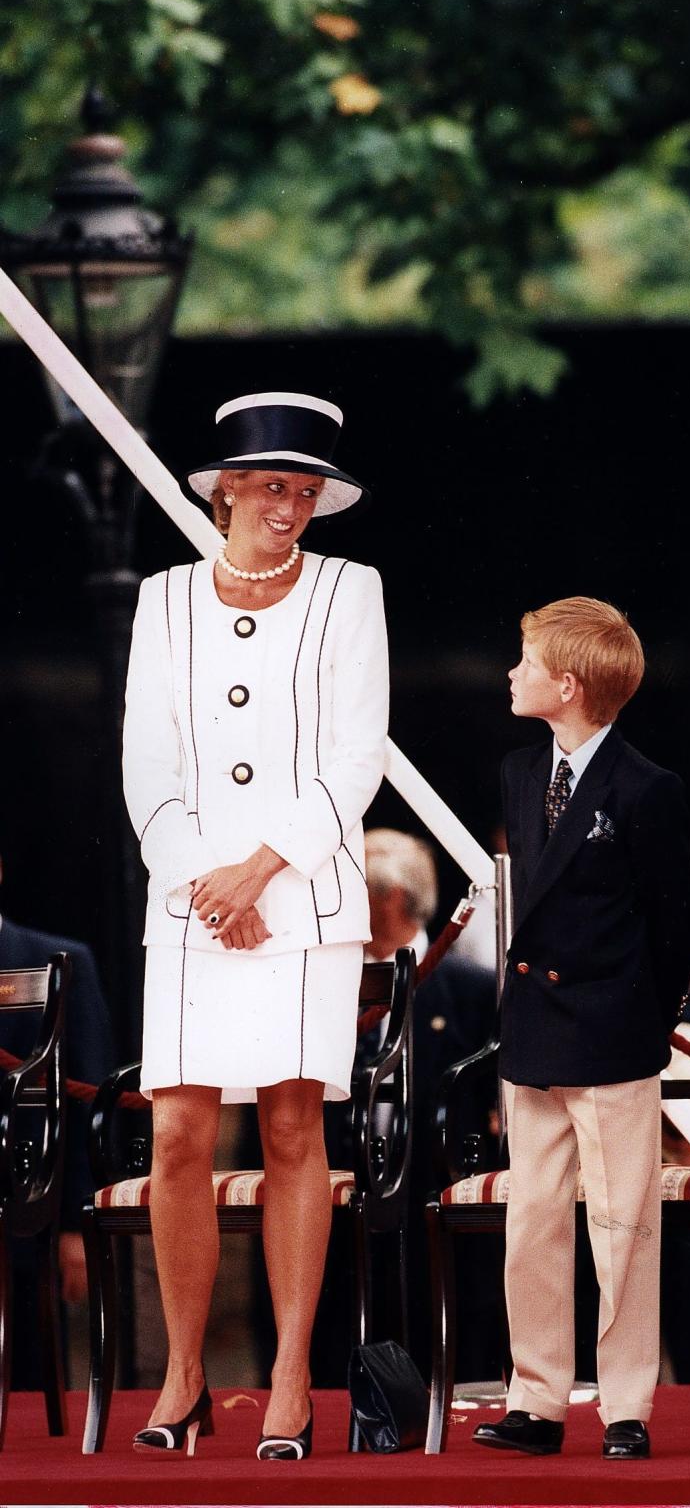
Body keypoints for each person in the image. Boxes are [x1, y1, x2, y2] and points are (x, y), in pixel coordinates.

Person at [121, 391, 389, 1460]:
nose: (289, 504)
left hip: (304, 902)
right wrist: (204, 882)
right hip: (191, 910)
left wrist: (259, 873)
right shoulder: (163, 599)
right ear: (224, 487)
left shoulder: (350, 589)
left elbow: (354, 758)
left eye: (306, 488)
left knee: (291, 1133)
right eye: (272, 483)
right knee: (178, 1134)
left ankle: (288, 1375)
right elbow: (149, 763)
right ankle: (185, 1376)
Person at [472, 596, 690, 1461]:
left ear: (566, 685)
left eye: (525, 661)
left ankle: (627, 1402)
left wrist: (646, 1020)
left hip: (610, 1035)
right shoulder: (521, 773)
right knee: (531, 1221)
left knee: (623, 1224)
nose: (511, 672)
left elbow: (672, 921)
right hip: (534, 1031)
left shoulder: (647, 788)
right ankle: (536, 1398)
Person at [361, 827, 499, 1377]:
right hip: (353, 1177)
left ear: (390, 898)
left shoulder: (468, 987)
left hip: (439, 1181)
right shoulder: (331, 983)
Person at [0, 861, 116, 1385]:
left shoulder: (58, 960)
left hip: (28, 1216)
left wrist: (77, 1224)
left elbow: (88, 1098)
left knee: (26, 1381)